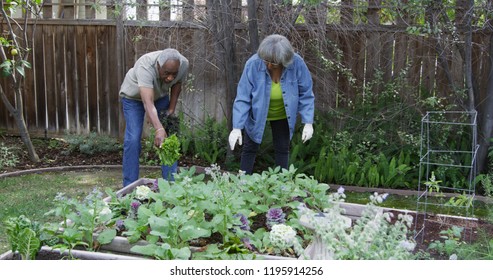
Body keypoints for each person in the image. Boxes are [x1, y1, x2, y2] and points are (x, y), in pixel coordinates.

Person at [228, 34, 315, 174]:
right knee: (249, 148)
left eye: (272, 62)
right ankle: (242, 187)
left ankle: (282, 188)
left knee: (282, 149)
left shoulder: (297, 64)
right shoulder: (253, 64)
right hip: (257, 114)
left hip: (283, 114)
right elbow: (243, 97)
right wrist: (237, 127)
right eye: (265, 60)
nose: (268, 65)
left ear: (284, 60)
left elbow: (306, 93)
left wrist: (308, 122)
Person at [120, 48, 189, 187]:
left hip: (160, 96)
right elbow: (148, 102)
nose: (170, 77)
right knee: (133, 139)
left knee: (168, 139)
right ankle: (129, 186)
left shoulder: (184, 64)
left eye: (173, 74)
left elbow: (177, 85)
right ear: (158, 65)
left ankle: (171, 184)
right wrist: (158, 128)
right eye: (166, 73)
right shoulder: (146, 65)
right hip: (133, 98)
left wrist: (170, 110)